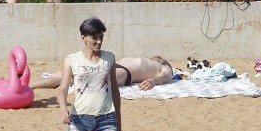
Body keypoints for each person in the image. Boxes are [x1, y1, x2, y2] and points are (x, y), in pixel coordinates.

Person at [31, 55, 174, 91]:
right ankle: (30, 86)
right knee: (70, 76)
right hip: (118, 68)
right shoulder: (150, 62)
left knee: (69, 77)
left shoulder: (164, 66)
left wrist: (153, 81)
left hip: (122, 71)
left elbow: (165, 76)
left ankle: (31, 86)